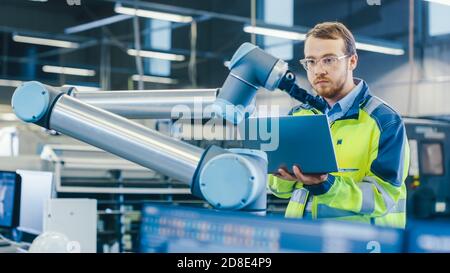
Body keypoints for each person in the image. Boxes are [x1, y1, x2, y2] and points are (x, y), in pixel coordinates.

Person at [269, 22, 409, 228]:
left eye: (329, 60)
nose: (318, 70)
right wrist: (284, 176)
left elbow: (383, 196)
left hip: (362, 242)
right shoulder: (298, 116)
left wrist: (325, 184)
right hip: (300, 238)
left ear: (352, 61)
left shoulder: (385, 121)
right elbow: (278, 189)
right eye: (311, 61)